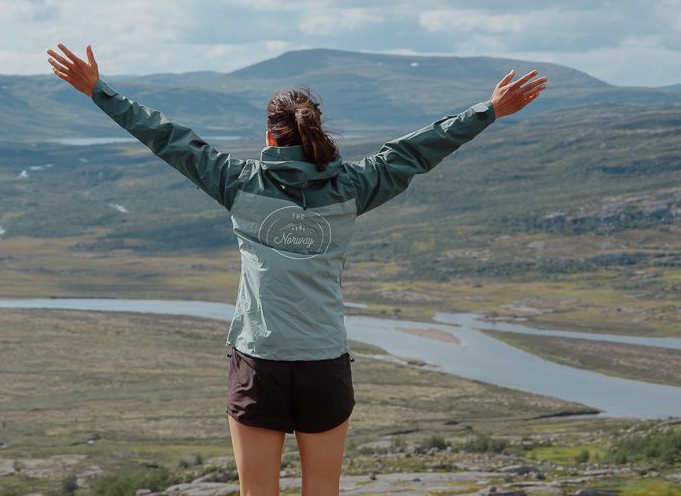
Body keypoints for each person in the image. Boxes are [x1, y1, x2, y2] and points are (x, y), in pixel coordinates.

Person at [47, 43, 547, 496]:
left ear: (269, 135)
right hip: (325, 363)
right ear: (318, 135)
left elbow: (168, 138)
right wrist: (489, 110)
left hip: (259, 363)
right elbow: (417, 151)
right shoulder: (355, 186)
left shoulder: (236, 181)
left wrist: (98, 90)